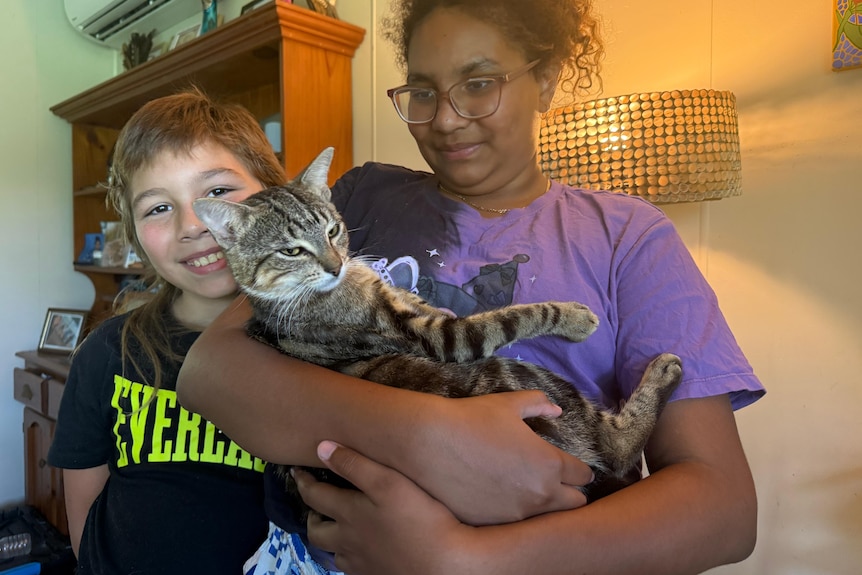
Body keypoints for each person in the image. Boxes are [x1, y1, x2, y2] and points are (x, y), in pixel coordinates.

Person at [176, 1, 766, 574]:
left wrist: (464, 561)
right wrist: (425, 436)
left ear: (549, 78)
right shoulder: (359, 196)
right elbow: (211, 373)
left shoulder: (628, 236)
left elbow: (725, 512)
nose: (446, 118)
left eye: (479, 83)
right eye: (423, 91)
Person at [47, 88, 286, 574]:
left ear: (274, 192)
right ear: (135, 236)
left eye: (218, 192)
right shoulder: (105, 353)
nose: (193, 225)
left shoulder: (316, 350)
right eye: (158, 207)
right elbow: (84, 526)